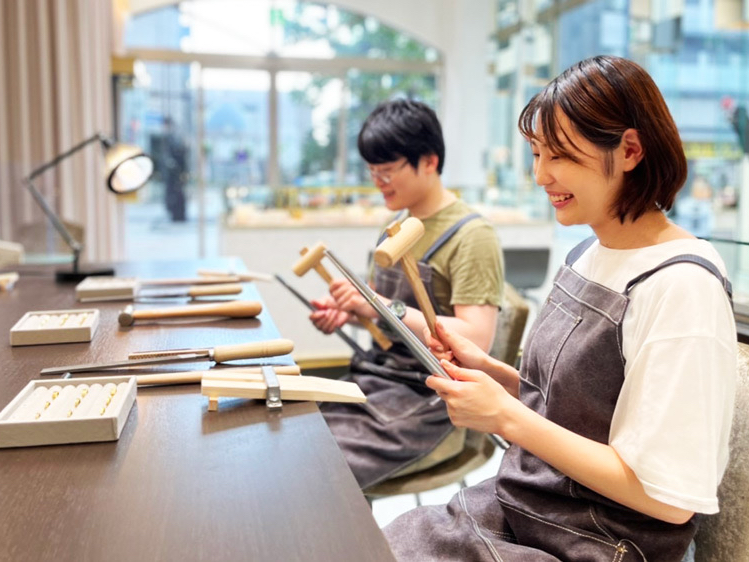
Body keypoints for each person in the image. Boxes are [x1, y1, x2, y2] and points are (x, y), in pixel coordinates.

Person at [383, 56, 737, 561]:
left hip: (599, 542)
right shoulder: (588, 254)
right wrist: (492, 374)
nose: (541, 175)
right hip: (526, 508)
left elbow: (667, 497)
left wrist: (506, 417)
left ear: (630, 149)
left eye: (562, 156)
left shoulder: (682, 287)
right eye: (536, 154)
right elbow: (570, 407)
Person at [309, 99, 504, 490]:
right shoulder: (393, 227)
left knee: (315, 474)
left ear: (429, 161)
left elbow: (476, 337)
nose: (378, 182)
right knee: (295, 440)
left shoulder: (472, 236)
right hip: (377, 377)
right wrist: (350, 312)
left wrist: (380, 305)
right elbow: (380, 312)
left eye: (387, 171)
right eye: (372, 172)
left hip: (430, 400)